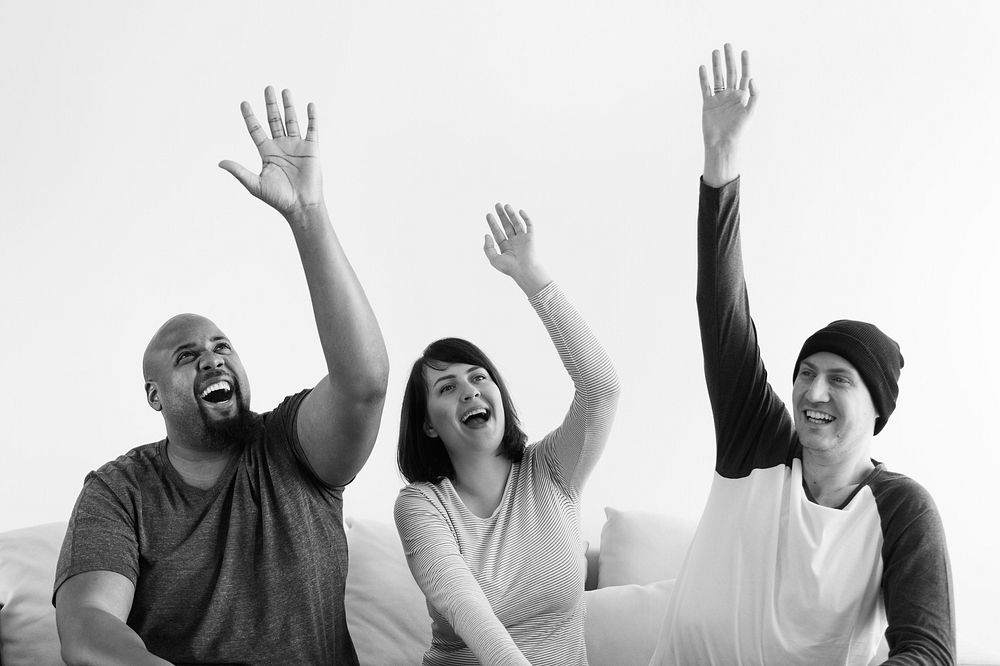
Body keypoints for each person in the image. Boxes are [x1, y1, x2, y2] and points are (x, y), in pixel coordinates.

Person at [53, 87, 389, 665]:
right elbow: (86, 628)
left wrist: (308, 217)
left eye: (221, 346)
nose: (212, 359)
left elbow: (364, 385)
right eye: (187, 357)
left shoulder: (291, 447)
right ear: (154, 397)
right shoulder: (119, 491)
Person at [649, 45, 955, 665]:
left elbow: (927, 651)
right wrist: (721, 162)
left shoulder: (900, 509)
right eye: (806, 374)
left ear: (877, 408)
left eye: (838, 380)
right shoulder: (755, 443)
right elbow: (722, 309)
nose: (813, 393)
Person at [393, 203, 620, 665]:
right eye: (447, 387)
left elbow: (601, 387)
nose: (470, 392)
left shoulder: (553, 470)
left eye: (479, 377)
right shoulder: (422, 506)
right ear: (427, 425)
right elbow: (467, 608)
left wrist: (532, 277)